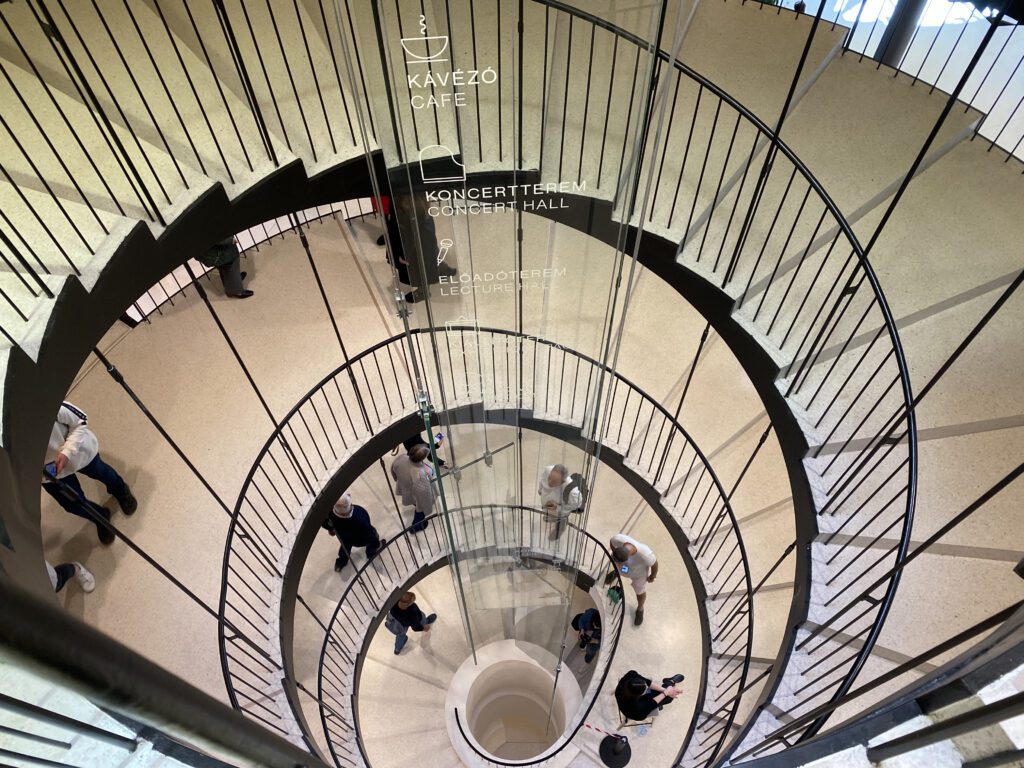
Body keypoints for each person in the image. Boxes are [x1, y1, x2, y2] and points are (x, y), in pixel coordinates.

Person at [42, 401, 137, 545]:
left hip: (77, 451)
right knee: (72, 504)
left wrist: (68, 452)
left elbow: (80, 420)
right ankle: (99, 516)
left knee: (101, 471)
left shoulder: (43, 404)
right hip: (47, 476)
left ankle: (119, 488)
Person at [321, 493, 386, 572]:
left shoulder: (329, 514)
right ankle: (371, 553)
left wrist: (330, 529)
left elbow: (324, 523)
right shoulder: (359, 516)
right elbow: (370, 534)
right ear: (350, 505)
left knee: (344, 549)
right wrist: (377, 544)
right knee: (374, 533)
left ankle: (341, 562)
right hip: (360, 539)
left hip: (345, 538)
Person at [610, 533, 657, 625]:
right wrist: (618, 563)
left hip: (639, 574)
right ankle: (616, 572)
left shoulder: (646, 556)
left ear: (628, 558)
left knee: (640, 591)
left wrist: (652, 576)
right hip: (626, 568)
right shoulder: (618, 539)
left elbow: (655, 564)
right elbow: (611, 542)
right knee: (620, 569)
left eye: (619, 562)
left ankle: (640, 608)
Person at [391, 444, 437, 533]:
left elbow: (393, 469)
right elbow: (424, 494)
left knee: (416, 506)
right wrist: (427, 506)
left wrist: (397, 479)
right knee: (420, 511)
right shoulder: (420, 473)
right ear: (422, 459)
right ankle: (415, 527)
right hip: (416, 496)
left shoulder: (401, 458)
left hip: (406, 489)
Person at [615, 670, 684, 722]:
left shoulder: (631, 675)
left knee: (665, 692)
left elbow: (648, 683)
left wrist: (665, 690)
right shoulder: (637, 711)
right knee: (668, 698)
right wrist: (666, 693)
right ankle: (671, 682)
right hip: (633, 709)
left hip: (631, 697)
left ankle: (670, 682)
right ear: (639, 695)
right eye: (645, 690)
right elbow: (651, 704)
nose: (647, 688)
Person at [537, 464, 583, 541]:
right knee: (549, 515)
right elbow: (542, 479)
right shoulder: (548, 470)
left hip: (560, 513)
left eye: (554, 482)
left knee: (560, 521)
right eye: (550, 478)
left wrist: (557, 507)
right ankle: (550, 517)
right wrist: (540, 489)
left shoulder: (572, 490)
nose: (549, 482)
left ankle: (560, 527)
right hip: (548, 507)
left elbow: (575, 505)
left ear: (562, 481)